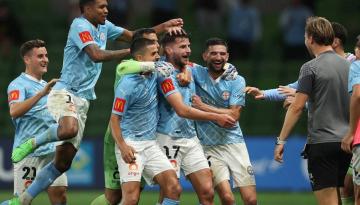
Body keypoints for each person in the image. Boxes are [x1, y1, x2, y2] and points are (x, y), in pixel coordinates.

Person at [6, 0, 184, 204]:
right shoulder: (79, 25)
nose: (106, 10)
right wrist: (133, 53)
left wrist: (163, 27)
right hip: (66, 90)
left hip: (83, 100)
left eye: (107, 6)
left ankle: (23, 199)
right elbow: (96, 54)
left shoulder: (105, 27)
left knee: (62, 163)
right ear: (87, 8)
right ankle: (33, 141)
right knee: (68, 129)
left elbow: (135, 36)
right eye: (101, 6)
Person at [274, 17, 351, 205]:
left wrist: (281, 140)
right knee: (345, 200)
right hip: (349, 144)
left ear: (310, 39)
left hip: (322, 144)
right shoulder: (351, 66)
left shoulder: (310, 67)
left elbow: (297, 106)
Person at [91, 28, 172, 205]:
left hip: (147, 139)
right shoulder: (127, 69)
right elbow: (123, 66)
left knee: (142, 192)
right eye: (151, 42)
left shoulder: (156, 66)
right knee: (114, 196)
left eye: (157, 42)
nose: (156, 45)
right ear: (138, 50)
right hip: (120, 136)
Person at [190, 38, 257, 205]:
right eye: (213, 53)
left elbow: (234, 115)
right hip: (209, 146)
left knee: (251, 199)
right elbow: (173, 59)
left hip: (234, 143)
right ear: (205, 56)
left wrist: (202, 106)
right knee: (227, 198)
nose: (218, 57)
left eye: (222, 53)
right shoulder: (195, 72)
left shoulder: (237, 80)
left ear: (227, 57)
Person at [2, 40, 67, 205]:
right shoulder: (17, 85)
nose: (45, 59)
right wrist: (41, 93)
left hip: (51, 151)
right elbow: (14, 111)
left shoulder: (48, 86)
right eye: (40, 56)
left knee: (60, 194)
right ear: (27, 59)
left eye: (46, 55)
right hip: (29, 153)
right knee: (23, 202)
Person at [342, 37, 360, 205]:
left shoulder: (356, 66)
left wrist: (351, 133)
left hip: (359, 137)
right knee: (347, 186)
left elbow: (357, 95)